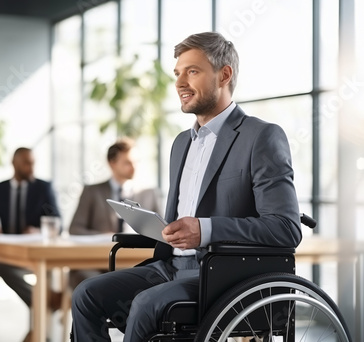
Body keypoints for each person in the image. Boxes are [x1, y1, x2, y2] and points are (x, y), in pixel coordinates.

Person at [71, 32, 302, 342]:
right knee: (86, 295)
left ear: (224, 74)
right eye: (177, 73)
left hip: (219, 274)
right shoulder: (182, 143)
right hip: (170, 265)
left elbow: (285, 228)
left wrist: (205, 229)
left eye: (192, 71)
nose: (179, 82)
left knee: (144, 304)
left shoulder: (261, 137)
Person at [68, 138, 161, 288]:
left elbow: (162, 232)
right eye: (127, 163)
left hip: (137, 263)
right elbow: (75, 229)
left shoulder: (149, 193)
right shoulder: (92, 192)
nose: (134, 167)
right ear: (112, 163)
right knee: (93, 283)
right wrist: (103, 236)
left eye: (136, 162)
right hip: (97, 264)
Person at [0, 147, 61, 311]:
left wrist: (38, 231)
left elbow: (57, 223)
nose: (30, 168)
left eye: (32, 163)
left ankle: (41, 305)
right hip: (7, 252)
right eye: (26, 163)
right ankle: (46, 302)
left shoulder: (43, 188)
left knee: (47, 267)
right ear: (13, 163)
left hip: (35, 251)